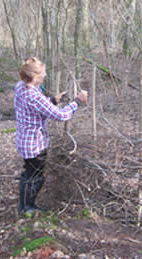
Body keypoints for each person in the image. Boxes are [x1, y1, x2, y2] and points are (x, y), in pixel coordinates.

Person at [14, 57, 88, 215]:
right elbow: (60, 115)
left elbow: (35, 108)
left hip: (24, 140)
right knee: (35, 177)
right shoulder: (33, 95)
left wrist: (53, 100)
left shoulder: (20, 86)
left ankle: (24, 205)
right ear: (35, 78)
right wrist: (77, 102)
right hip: (34, 144)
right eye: (42, 73)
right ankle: (27, 208)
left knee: (28, 173)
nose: (45, 75)